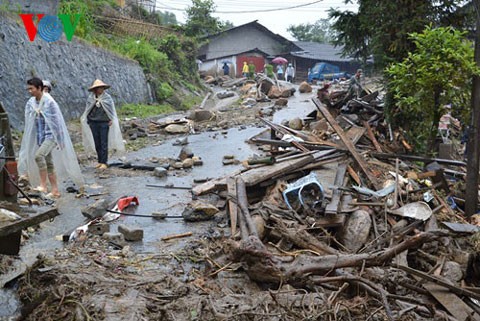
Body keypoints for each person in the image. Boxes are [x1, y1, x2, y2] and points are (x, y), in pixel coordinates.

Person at [18, 77, 84, 197]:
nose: (29, 91)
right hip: (40, 135)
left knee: (39, 156)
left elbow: (57, 122)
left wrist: (60, 140)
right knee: (49, 162)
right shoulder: (31, 102)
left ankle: (43, 186)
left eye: (31, 89)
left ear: (39, 88)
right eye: (28, 89)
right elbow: (29, 120)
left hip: (51, 135)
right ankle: (55, 191)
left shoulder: (49, 102)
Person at [81, 79, 125, 170]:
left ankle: (104, 162)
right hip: (93, 123)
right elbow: (88, 110)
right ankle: (100, 161)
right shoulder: (91, 98)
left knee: (104, 142)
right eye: (98, 88)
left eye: (102, 87)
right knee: (97, 143)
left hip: (104, 122)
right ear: (95, 89)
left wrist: (111, 119)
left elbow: (111, 110)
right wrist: (88, 120)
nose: (100, 89)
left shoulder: (107, 98)